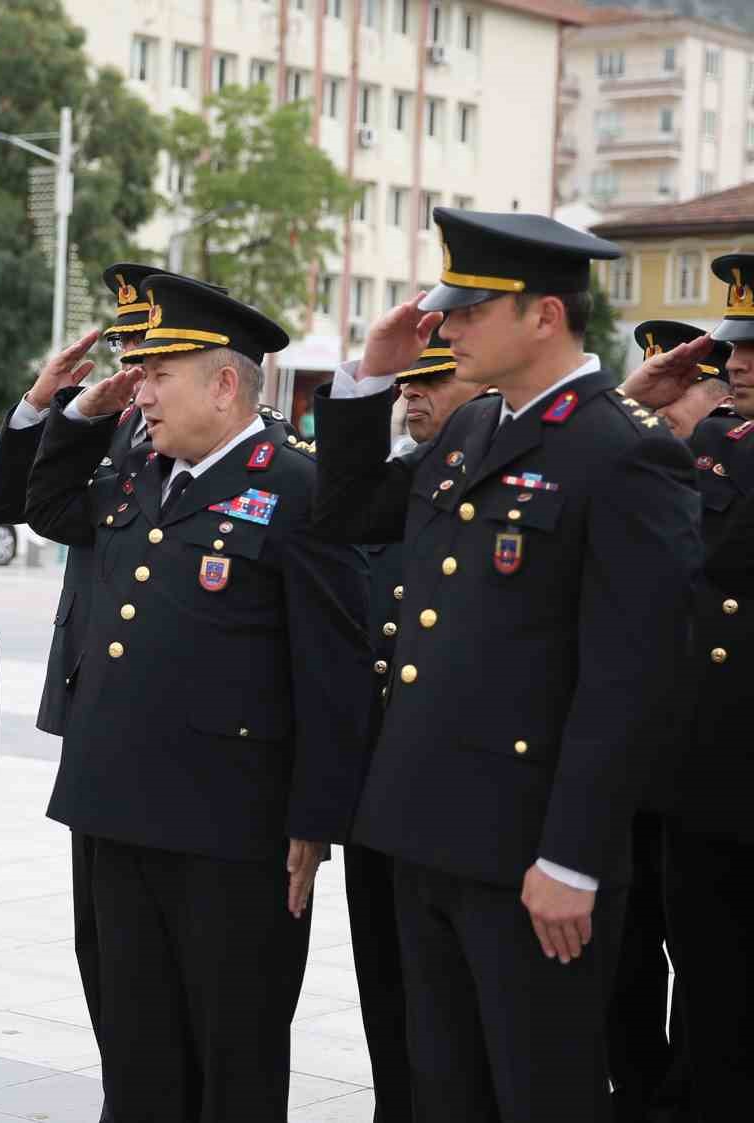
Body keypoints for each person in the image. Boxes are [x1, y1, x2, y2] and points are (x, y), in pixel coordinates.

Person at [312, 208, 701, 1123]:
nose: (443, 329)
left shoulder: (625, 451)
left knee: (539, 1093)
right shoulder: (467, 434)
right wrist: (371, 372)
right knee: (445, 1091)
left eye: (470, 310)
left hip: (531, 857)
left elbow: (631, 678)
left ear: (544, 316)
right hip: (426, 833)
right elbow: (350, 511)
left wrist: (572, 855)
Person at [25, 273, 373, 1121]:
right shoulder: (138, 471)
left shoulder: (297, 487)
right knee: (135, 1052)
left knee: (233, 1053)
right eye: (139, 377)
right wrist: (73, 412)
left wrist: (314, 821)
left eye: (156, 377)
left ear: (224, 384)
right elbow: (36, 503)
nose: (139, 394)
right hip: (117, 810)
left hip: (232, 829)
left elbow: (333, 668)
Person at [0, 263, 158, 1121]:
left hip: (182, 729)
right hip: (99, 711)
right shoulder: (111, 428)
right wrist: (43, 406)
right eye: (130, 353)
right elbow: (8, 503)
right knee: (107, 952)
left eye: (151, 354)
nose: (135, 371)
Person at [619, 256, 754, 1118]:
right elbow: (614, 484)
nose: (738, 363)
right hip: (702, 777)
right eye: (737, 347)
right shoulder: (716, 443)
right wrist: (631, 400)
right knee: (707, 984)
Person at [349, 328, 480, 1123]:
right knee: (387, 989)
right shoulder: (392, 482)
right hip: (381, 785)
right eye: (404, 382)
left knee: (466, 1019)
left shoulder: (504, 485)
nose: (412, 393)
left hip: (471, 793)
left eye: (431, 380)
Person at [604, 318, 731, 1123]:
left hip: (709, 771)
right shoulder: (638, 471)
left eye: (687, 391)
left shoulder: (727, 475)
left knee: (711, 969)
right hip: (630, 765)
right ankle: (635, 1094)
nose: (670, 409)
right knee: (623, 960)